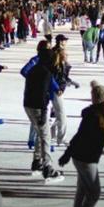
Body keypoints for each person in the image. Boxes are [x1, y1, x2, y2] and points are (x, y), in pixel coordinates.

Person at [58, 81, 104, 207]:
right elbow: (80, 136)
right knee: (94, 192)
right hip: (85, 158)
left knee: (83, 189)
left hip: (85, 157)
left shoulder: (100, 115)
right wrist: (67, 154)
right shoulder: (94, 117)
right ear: (103, 100)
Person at [22, 47, 64, 183]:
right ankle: (48, 168)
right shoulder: (45, 73)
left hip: (28, 105)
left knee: (40, 133)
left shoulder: (34, 69)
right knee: (46, 136)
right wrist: (44, 112)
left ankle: (37, 162)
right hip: (38, 107)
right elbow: (42, 94)